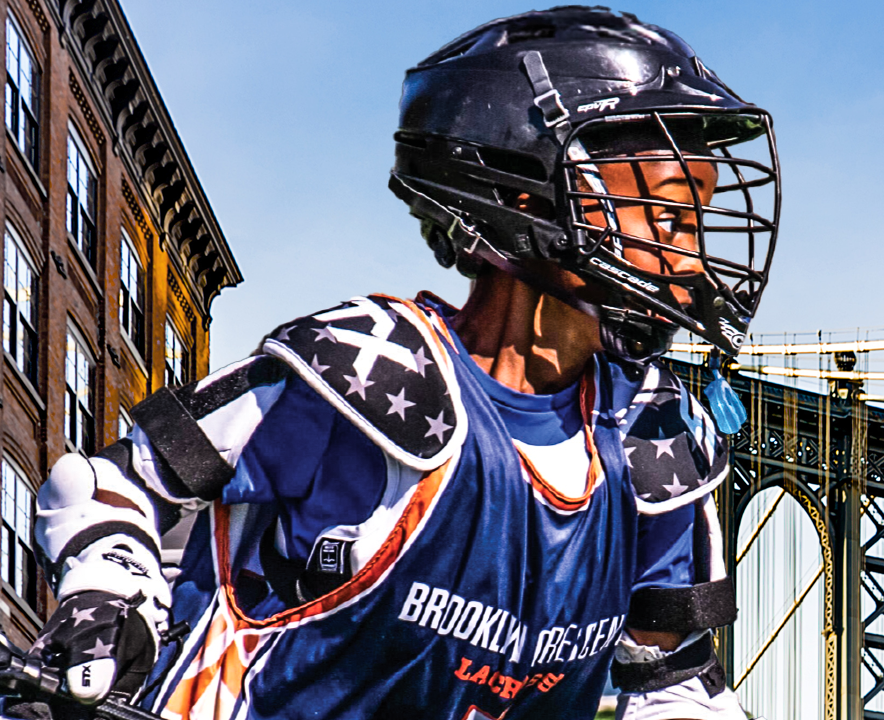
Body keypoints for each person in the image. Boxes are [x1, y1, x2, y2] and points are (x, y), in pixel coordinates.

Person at [21, 7, 780, 720]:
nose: (695, 255)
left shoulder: (653, 440)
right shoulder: (370, 371)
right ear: (530, 191)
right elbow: (112, 486)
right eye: (673, 213)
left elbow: (676, 683)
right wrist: (106, 601)